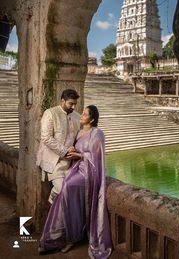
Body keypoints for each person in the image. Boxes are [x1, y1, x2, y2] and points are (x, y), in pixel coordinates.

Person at [38, 105, 113, 258]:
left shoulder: (97, 133)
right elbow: (78, 150)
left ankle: (71, 236)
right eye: (83, 112)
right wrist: (73, 149)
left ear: (91, 118)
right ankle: (64, 234)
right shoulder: (79, 132)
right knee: (65, 188)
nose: (82, 115)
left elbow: (97, 158)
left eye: (85, 114)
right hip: (77, 169)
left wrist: (80, 156)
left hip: (89, 173)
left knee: (67, 187)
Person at [36, 89, 80, 204]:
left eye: (75, 104)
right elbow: (46, 137)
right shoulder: (50, 113)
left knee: (74, 191)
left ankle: (61, 217)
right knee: (60, 189)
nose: (73, 107)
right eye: (71, 103)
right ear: (62, 101)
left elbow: (78, 137)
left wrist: (76, 151)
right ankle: (52, 202)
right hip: (54, 161)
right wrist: (65, 151)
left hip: (71, 162)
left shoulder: (76, 116)